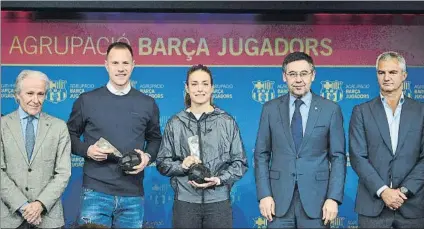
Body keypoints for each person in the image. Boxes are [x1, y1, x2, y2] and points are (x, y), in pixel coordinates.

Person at [67, 42, 162, 228]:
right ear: (106, 65)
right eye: (115, 63)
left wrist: (147, 157)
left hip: (132, 194)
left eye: (125, 63)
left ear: (133, 65)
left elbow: (155, 139)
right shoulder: (86, 100)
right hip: (95, 191)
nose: (120, 68)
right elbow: (68, 136)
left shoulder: (148, 103)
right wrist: (87, 150)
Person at [254, 52, 346, 228]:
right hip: (278, 202)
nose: (298, 79)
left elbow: (338, 157)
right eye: (292, 74)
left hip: (317, 202)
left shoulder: (331, 110)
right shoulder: (270, 109)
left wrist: (333, 198)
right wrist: (264, 195)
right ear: (284, 77)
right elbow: (261, 155)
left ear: (313, 75)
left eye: (303, 73)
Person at [156, 64, 248, 228]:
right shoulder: (175, 123)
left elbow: (240, 163)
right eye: (194, 84)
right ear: (187, 88)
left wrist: (219, 180)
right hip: (185, 204)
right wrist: (182, 166)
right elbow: (162, 163)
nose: (200, 89)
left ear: (212, 88)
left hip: (218, 202)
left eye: (205, 84)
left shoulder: (226, 122)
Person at [349, 51, 424, 228]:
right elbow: (357, 157)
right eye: (381, 72)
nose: (386, 77)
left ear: (404, 75)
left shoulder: (421, 112)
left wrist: (403, 192)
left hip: (412, 206)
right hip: (372, 207)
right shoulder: (361, 111)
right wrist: (384, 191)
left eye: (392, 72)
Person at [1, 70, 71, 228]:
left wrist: (39, 205)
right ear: (17, 95)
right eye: (30, 93)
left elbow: (63, 173)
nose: (35, 100)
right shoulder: (2, 126)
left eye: (41, 94)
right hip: (9, 218)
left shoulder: (59, 127)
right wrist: (24, 206)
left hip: (48, 218)